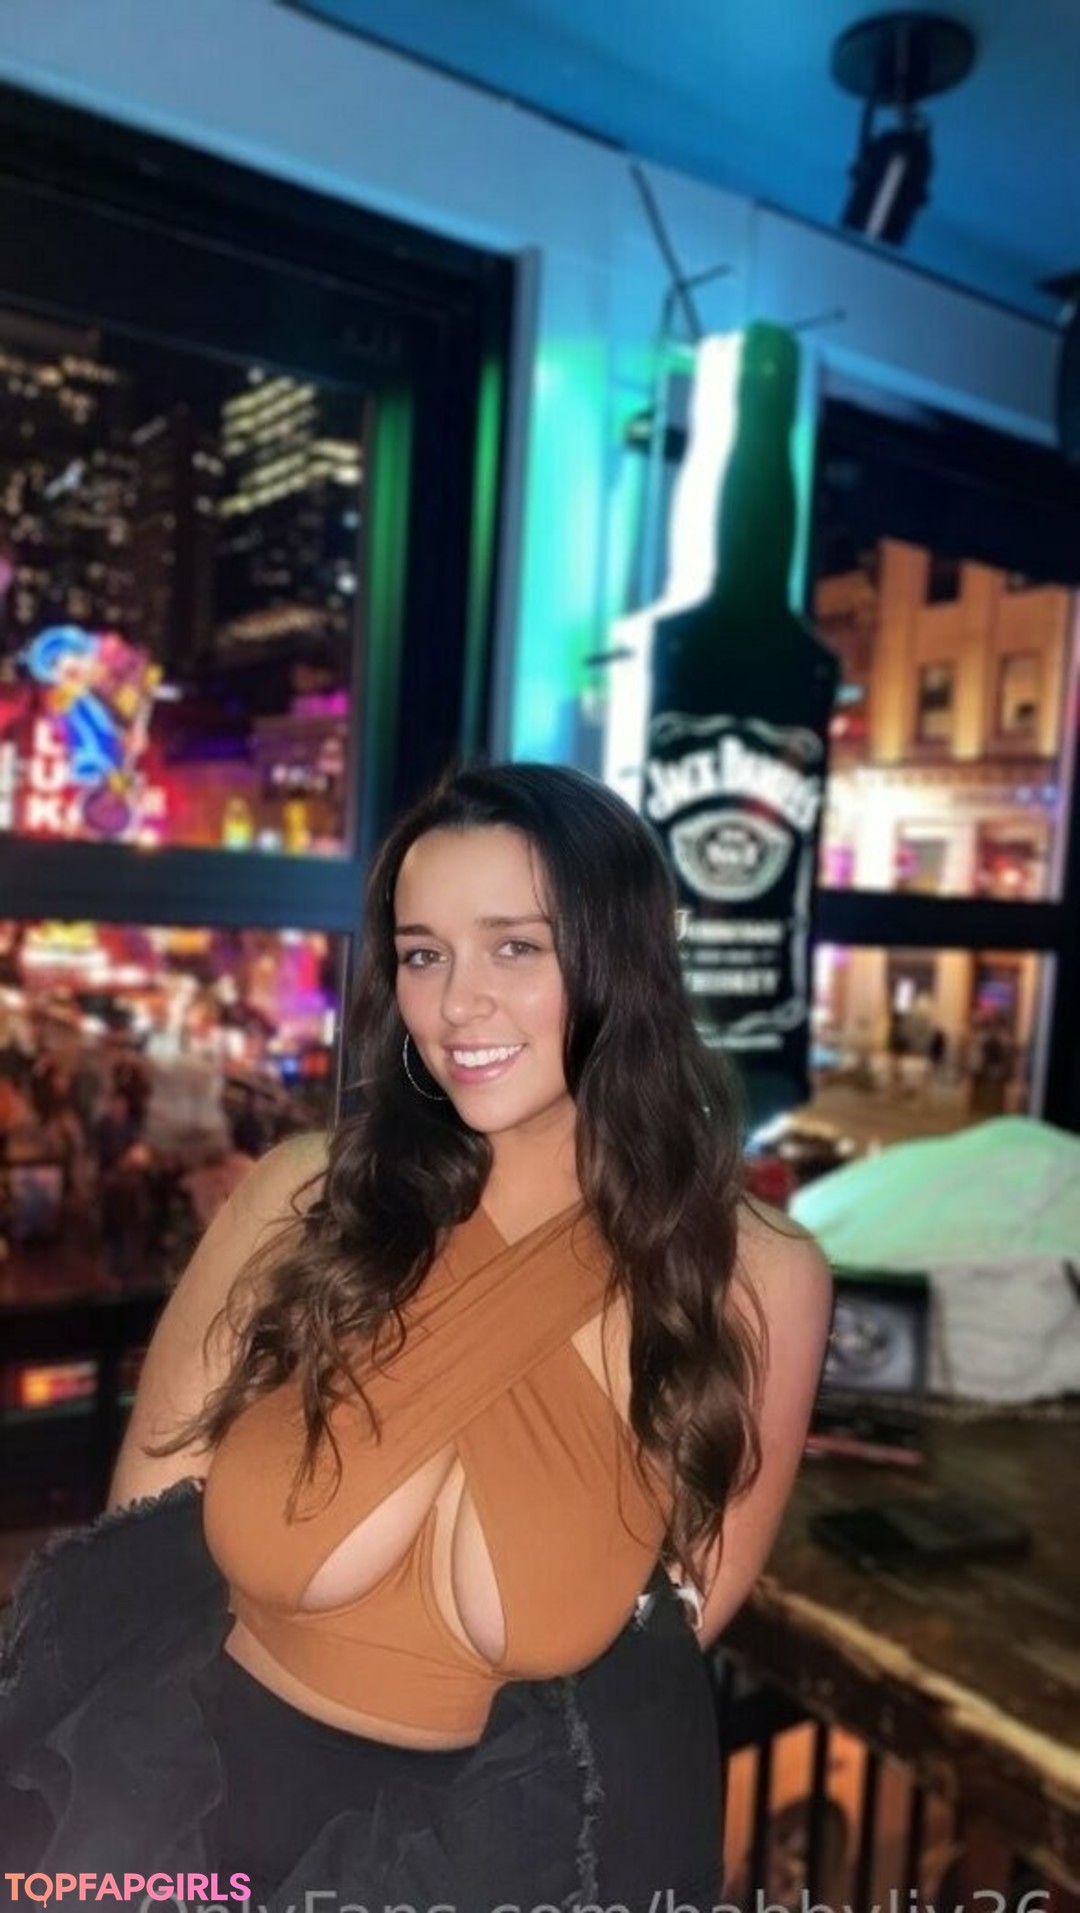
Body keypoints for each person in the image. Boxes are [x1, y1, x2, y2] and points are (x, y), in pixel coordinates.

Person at [0, 762, 831, 1907]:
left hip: (499, 1863)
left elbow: (660, 1648)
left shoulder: (756, 1276)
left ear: (624, 957)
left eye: (515, 947)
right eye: (424, 953)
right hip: (180, 1812)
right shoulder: (308, 1200)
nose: (455, 1004)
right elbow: (139, 1548)